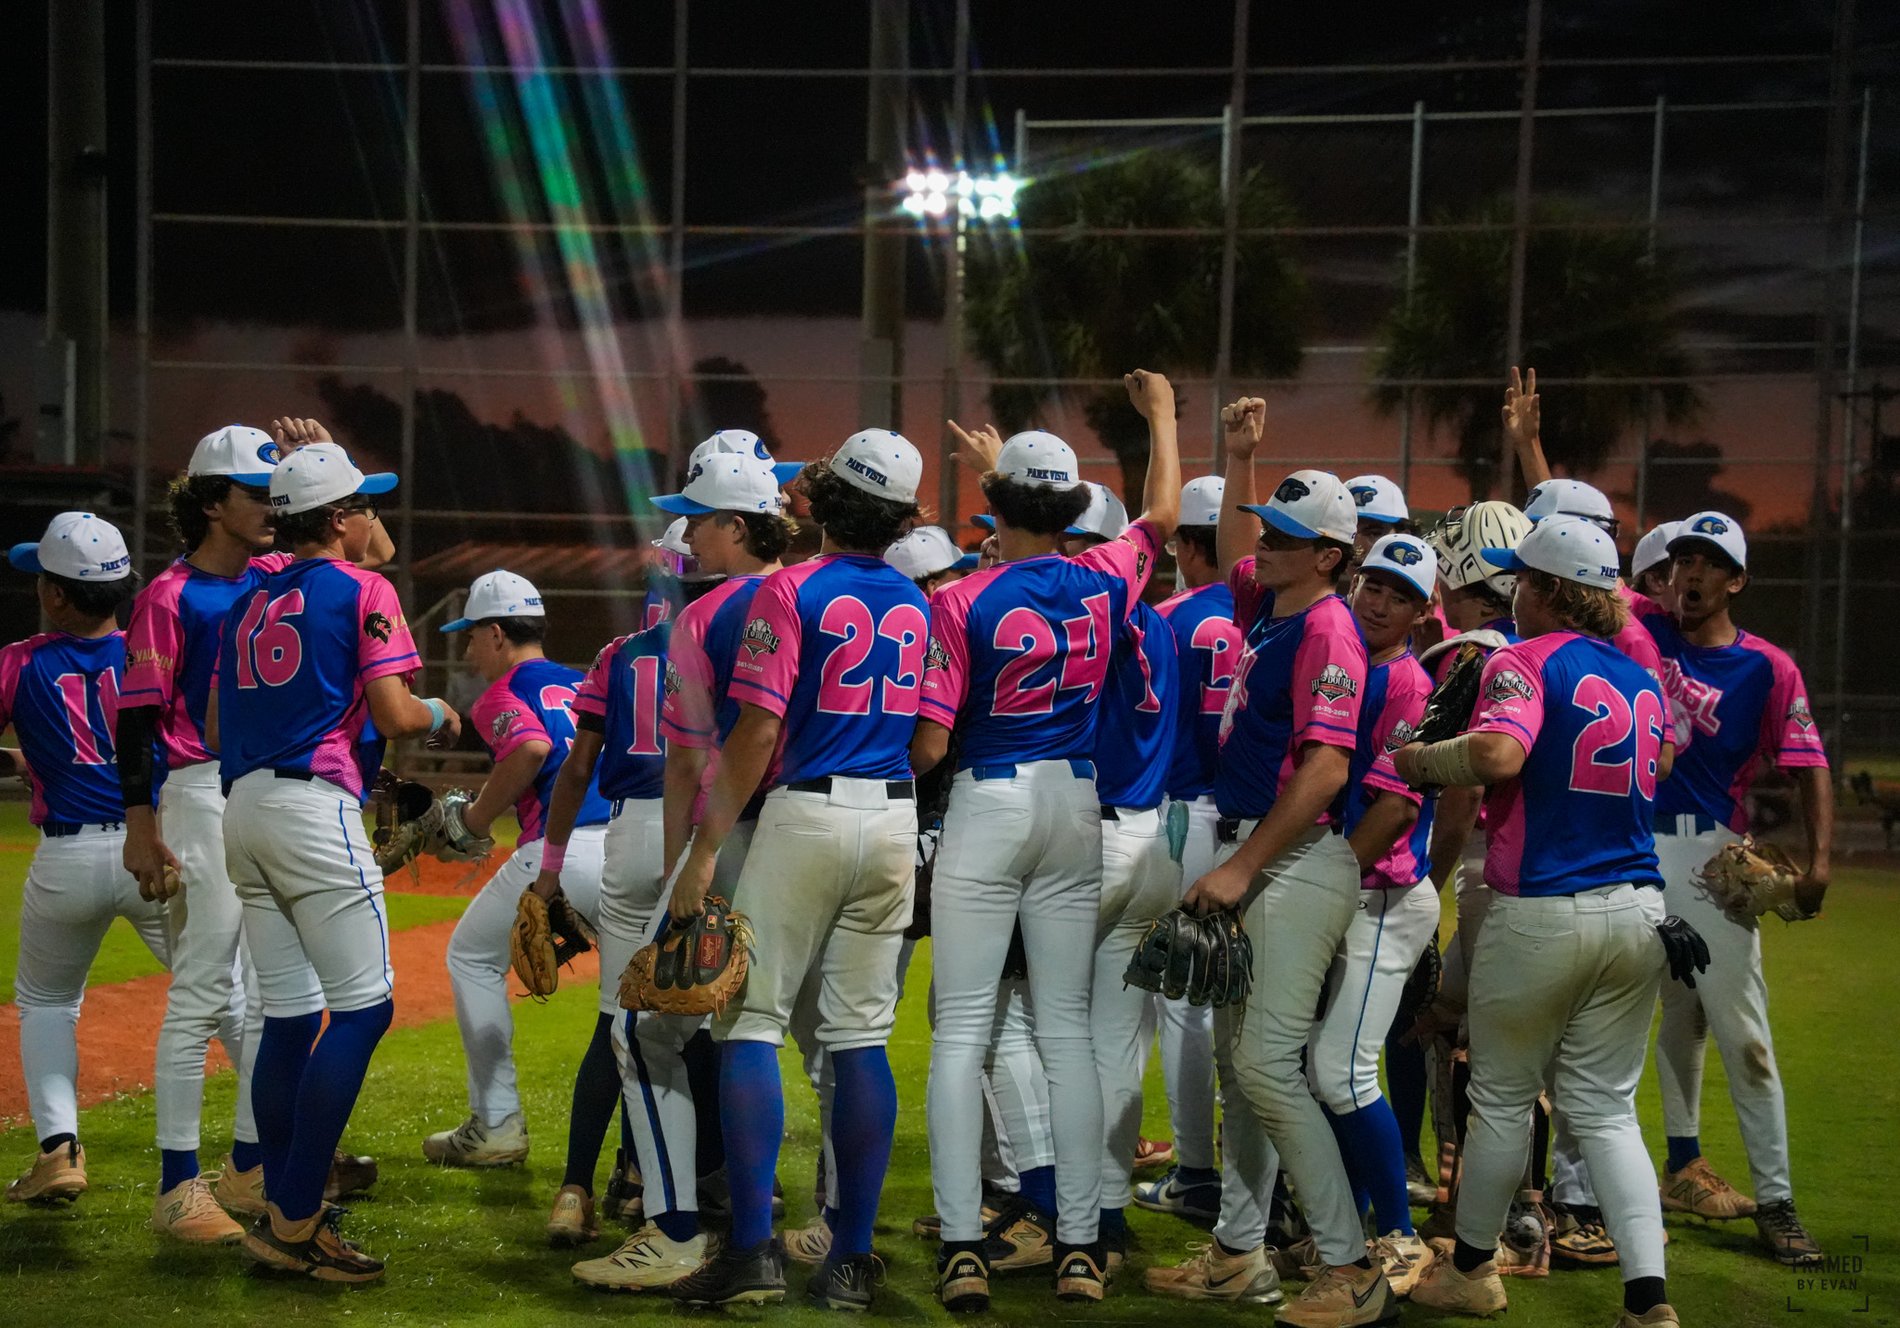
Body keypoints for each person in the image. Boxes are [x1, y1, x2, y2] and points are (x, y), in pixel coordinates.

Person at [917, 370, 1180, 1311]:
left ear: (994, 508)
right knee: (1068, 1032)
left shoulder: (960, 599)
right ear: (1072, 507)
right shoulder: (1107, 578)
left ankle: (960, 1246)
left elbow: (934, 742)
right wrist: (1161, 418)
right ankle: (1080, 1245)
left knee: (962, 1035)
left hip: (988, 803)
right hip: (1077, 804)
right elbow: (1159, 510)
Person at [664, 430, 930, 1310]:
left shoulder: (790, 588)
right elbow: (931, 741)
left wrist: (704, 850)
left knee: (750, 1027)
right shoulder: (924, 599)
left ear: (818, 502)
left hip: (805, 811)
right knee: (857, 1038)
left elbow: (758, 732)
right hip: (893, 816)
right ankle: (848, 1260)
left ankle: (751, 1254)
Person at [1397, 516, 1682, 1328]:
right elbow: (1658, 762)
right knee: (1608, 1110)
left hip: (1544, 909)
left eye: (1522, 579)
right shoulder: (1638, 674)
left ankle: (1475, 1270)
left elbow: (1496, 757)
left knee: (1501, 1099)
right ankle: (1647, 1298)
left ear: (1552, 589)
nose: (1512, 593)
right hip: (1639, 911)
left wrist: (1418, 760)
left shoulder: (1523, 658)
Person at [119, 420, 385, 1242]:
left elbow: (366, 552)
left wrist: (332, 456)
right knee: (205, 986)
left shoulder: (275, 572)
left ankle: (251, 1170)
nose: (271, 507)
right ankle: (175, 1185)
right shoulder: (168, 596)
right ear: (208, 503)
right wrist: (139, 823)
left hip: (242, 795)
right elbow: (135, 724)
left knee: (276, 1002)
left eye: (280, 494)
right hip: (198, 790)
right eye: (253, 494)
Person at [209, 442, 457, 1281]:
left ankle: (279, 1203)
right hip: (312, 806)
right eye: (360, 506)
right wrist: (439, 708)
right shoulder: (362, 587)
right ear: (342, 517)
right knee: (363, 1010)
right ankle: (297, 1216)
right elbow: (393, 709)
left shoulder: (251, 596)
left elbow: (218, 717)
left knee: (287, 1015)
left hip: (241, 805)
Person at [1176, 392, 1392, 1327]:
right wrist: (1239, 457)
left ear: (1332, 556)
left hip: (1295, 859)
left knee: (1267, 1066)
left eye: (1286, 534)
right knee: (1239, 1066)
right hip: (1263, 852)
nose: (1264, 541)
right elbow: (1231, 538)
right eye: (1270, 527)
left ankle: (1353, 1265)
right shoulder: (1272, 605)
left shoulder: (1327, 630)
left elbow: (1328, 768)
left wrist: (1238, 870)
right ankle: (1238, 1252)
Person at [1629, 512, 1831, 1265]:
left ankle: (1775, 1202)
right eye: (1683, 558)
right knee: (1641, 1020)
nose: (1691, 572)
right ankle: (1660, 1169)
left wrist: (1819, 864)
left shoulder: (1768, 668)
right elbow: (1574, 557)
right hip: (1625, 847)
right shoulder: (1645, 627)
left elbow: (1810, 762)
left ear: (1736, 580)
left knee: (1740, 1034)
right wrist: (1529, 449)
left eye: (1710, 562)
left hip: (1710, 859)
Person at [3, 515, 168, 1207]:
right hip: (156, 850)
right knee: (232, 997)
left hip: (68, 855)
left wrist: (32, 761)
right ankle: (292, 1145)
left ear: (57, 596)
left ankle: (59, 1151)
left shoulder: (19, 660)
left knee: (45, 1003)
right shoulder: (153, 652)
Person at [424, 571, 613, 1174]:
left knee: (471, 958)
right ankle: (644, 1169)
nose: (468, 648)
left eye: (473, 635)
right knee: (637, 1006)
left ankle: (497, 1123)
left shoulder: (501, 694)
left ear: (498, 633)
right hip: (633, 850)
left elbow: (530, 749)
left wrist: (476, 820)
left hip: (560, 854)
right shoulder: (586, 680)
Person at [1309, 532, 1441, 1297]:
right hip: (1350, 887)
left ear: (1421, 612)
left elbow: (1394, 810)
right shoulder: (1352, 663)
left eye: (1399, 593)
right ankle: (1356, 1220)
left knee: (1343, 1068)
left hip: (1381, 895)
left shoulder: (1407, 686)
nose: (1379, 600)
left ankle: (1399, 1233)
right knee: (1322, 1067)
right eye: (1372, 585)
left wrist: (1327, 880)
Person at [1057, 483, 1182, 1272]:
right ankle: (1105, 1217)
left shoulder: (1075, 624)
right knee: (1116, 1045)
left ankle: (1050, 1211)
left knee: (1040, 1036)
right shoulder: (1162, 629)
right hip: (1154, 842)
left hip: (1091, 841)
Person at [1136, 475, 1241, 1234]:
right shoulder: (1274, 618)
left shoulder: (1168, 620)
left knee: (1180, 1002)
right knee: (1233, 1007)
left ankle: (1198, 1172)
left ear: (1186, 543)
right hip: (1256, 828)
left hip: (1179, 815)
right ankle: (1236, 1177)